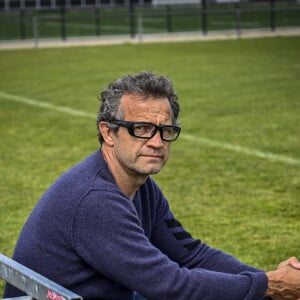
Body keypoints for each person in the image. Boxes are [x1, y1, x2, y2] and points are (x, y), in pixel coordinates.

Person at [4, 71, 300, 300]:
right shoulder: (95, 199)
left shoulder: (139, 186)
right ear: (108, 133)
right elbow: (170, 286)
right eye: (142, 129)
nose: (157, 142)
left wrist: (271, 279)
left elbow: (191, 254)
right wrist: (270, 285)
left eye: (165, 130)